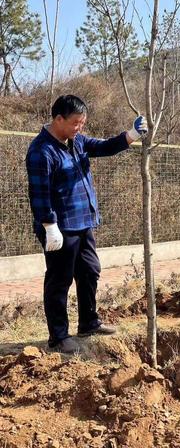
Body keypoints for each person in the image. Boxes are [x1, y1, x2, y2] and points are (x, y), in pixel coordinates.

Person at [26, 95, 147, 353]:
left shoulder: (76, 141)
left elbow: (104, 147)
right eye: (75, 123)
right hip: (60, 227)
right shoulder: (41, 151)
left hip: (82, 223)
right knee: (60, 280)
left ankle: (88, 322)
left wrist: (132, 134)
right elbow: (39, 193)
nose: (79, 128)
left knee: (90, 270)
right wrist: (49, 225)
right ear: (58, 119)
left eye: (82, 123)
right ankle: (58, 337)